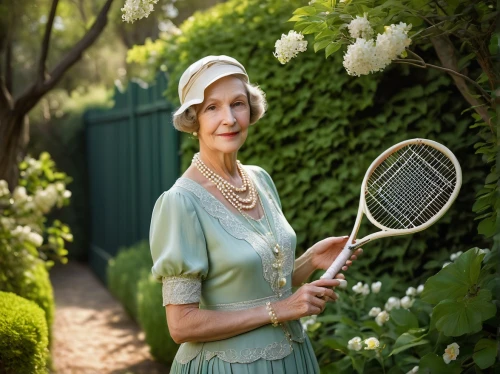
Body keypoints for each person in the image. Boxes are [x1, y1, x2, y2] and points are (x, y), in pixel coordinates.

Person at [149, 55, 362, 373]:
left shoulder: (259, 179)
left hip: (294, 359)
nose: (229, 119)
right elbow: (181, 325)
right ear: (193, 121)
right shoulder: (180, 203)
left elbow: (255, 287)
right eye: (212, 108)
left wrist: (310, 260)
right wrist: (280, 310)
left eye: (238, 103)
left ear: (251, 109)